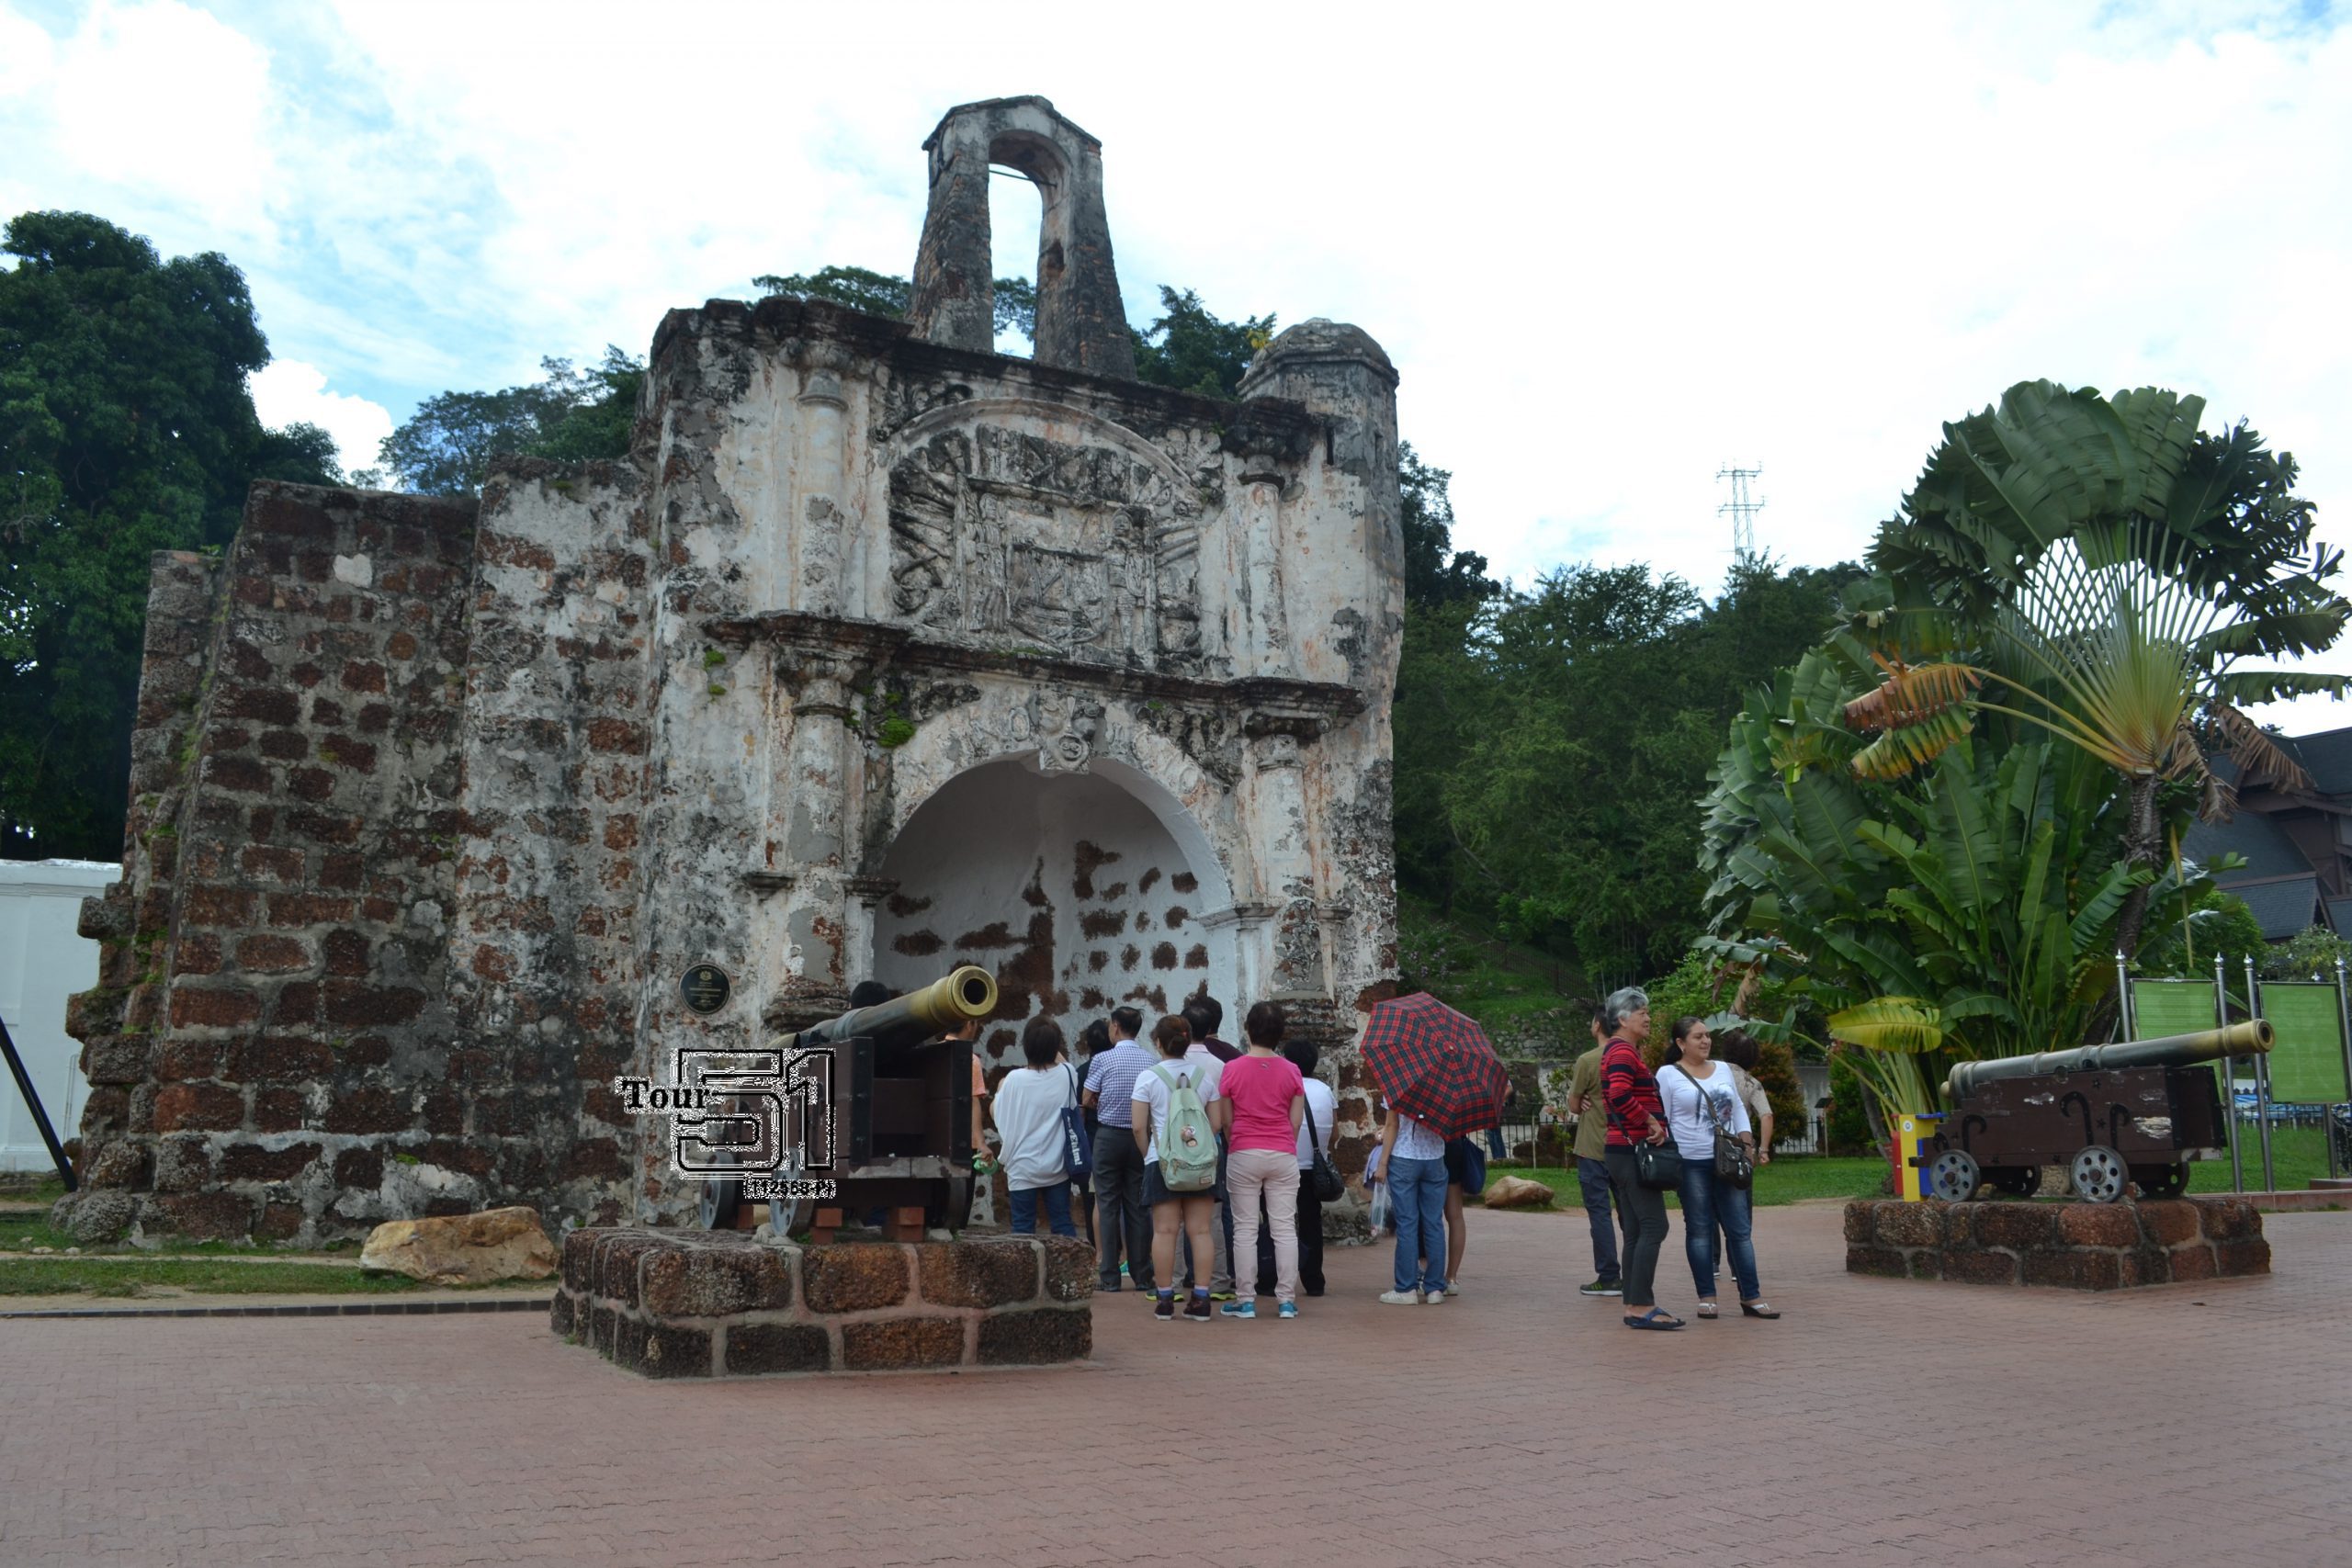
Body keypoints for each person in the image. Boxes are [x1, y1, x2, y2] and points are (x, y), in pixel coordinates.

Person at [1658, 1017, 1777, 1319]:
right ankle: (1707, 1296)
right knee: (1699, 1230)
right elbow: (1664, 1119)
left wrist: (1747, 1143)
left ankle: (1751, 1295)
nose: (1705, 1041)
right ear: (1681, 1043)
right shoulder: (1668, 1075)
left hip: (1728, 1158)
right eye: (1697, 1037)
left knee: (1740, 1230)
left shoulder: (1722, 1068)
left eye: (1707, 1036)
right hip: (1691, 1161)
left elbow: (1737, 1107)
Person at [1132, 1014, 1227, 1323]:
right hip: (1199, 1162)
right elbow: (1215, 1124)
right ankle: (1201, 1298)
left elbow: (1137, 1127)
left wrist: (1152, 1154)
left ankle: (1164, 1298)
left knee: (1164, 1231)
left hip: (1162, 1162)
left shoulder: (1148, 1077)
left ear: (1158, 1042)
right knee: (1200, 1231)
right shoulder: (1204, 1077)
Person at [1218, 1001, 1306, 1320]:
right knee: (1284, 1228)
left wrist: (1236, 1143)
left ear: (1247, 1029)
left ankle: (1246, 1299)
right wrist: (1284, 1145)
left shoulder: (1232, 1069)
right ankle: (1285, 1299)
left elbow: (1227, 1120)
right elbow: (1295, 1122)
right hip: (1282, 1151)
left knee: (1244, 1229)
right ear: (1280, 1033)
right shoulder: (1292, 1070)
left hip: (1243, 1149)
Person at [1600, 986, 1679, 1329]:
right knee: (1653, 1226)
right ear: (1622, 1018)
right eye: (1642, 1012)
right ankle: (1641, 1304)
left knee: (1634, 1230)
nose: (1648, 1017)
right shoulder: (1622, 1052)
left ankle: (1634, 1303)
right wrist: (1648, 1121)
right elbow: (1618, 1093)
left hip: (1620, 1151)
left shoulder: (1621, 1050)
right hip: (1631, 1150)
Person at [1082, 1006, 1155, 1292]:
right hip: (1139, 1137)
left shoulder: (1103, 1059)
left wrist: (1101, 1103)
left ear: (1114, 1027)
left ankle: (1110, 1275)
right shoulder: (1149, 1060)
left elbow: (1087, 1098)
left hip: (1109, 1135)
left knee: (1108, 1203)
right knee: (1138, 1205)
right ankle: (1142, 1274)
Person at [1257, 1036, 1336, 1298]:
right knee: (1311, 1223)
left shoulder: (1282, 1085)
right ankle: (1314, 1281)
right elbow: (1333, 1133)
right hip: (1312, 1168)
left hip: (1284, 1163)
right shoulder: (1325, 1091)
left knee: (1276, 1223)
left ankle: (1271, 1278)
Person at [990, 1018, 1080, 1236]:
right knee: (1062, 1224)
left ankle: (1025, 1271)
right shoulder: (1068, 1074)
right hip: (1058, 1166)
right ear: (1056, 1046)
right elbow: (1061, 1061)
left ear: (1026, 1046)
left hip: (1022, 1166)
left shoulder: (1013, 1080)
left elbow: (996, 1112)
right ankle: (1071, 1270)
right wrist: (1051, 1046)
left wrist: (1000, 1091)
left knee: (1022, 1227)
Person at [1563, 1002, 1623, 1297]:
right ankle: (1636, 1271)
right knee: (1630, 1211)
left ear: (1598, 1026)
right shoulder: (1629, 1056)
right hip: (1624, 1147)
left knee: (1600, 1213)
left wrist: (1585, 1097)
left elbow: (1574, 1105)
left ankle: (1609, 1275)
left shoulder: (1587, 1061)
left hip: (1592, 1148)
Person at [1372, 1092, 1450, 1305]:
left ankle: (1406, 1287)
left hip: (1404, 1156)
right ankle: (1435, 1288)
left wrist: (1382, 1163)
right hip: (1435, 1158)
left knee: (1407, 1223)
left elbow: (1392, 1125)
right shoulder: (1444, 1087)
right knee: (1434, 1223)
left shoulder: (1399, 1085)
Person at [1071, 1017, 1113, 1247]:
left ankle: (1096, 1246)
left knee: (1091, 1199)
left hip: (1090, 1143)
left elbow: (1079, 1114)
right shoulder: (1116, 1067)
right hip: (1116, 1138)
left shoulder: (1080, 1073)